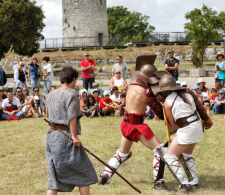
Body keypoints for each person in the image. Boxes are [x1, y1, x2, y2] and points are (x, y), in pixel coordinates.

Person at [97, 54, 175, 191]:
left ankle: (105, 174)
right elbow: (159, 112)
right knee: (160, 151)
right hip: (136, 126)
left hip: (125, 123)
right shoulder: (146, 91)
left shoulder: (132, 84)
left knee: (123, 153)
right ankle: (159, 183)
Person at [153, 71, 212, 192]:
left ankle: (185, 184)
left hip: (186, 129)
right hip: (197, 126)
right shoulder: (188, 94)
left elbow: (172, 124)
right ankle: (194, 182)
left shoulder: (167, 103)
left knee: (170, 157)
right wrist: (206, 119)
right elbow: (200, 108)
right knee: (187, 155)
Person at [45, 66, 98, 195]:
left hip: (51, 136)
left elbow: (48, 114)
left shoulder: (50, 94)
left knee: (54, 175)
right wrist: (74, 136)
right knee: (84, 172)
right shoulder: (72, 95)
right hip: (66, 137)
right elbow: (72, 118)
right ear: (74, 79)